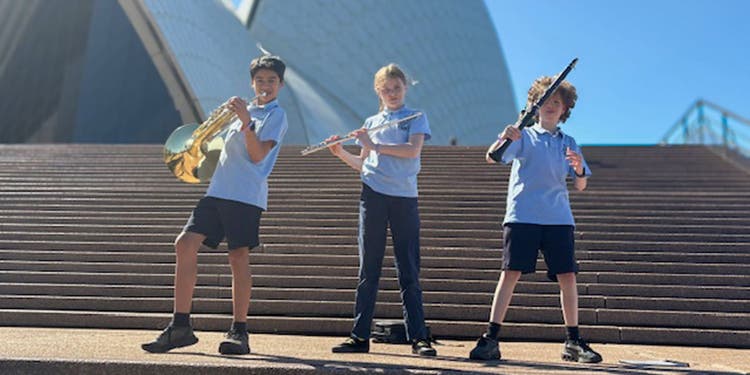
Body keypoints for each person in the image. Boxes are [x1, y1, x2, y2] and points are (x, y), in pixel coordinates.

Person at [142, 55, 288, 355]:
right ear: (252, 82)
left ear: (280, 85)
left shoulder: (276, 116)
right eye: (260, 80)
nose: (265, 85)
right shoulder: (241, 115)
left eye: (271, 81)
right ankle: (180, 326)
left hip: (246, 194)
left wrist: (247, 122)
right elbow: (214, 150)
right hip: (217, 190)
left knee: (237, 256)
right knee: (184, 244)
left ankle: (239, 331)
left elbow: (258, 154)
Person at [469, 76, 602, 363]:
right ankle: (490, 338)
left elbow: (580, 185)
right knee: (510, 274)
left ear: (565, 108)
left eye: (557, 101)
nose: (551, 106)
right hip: (522, 215)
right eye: (545, 101)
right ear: (535, 106)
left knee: (568, 277)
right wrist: (507, 134)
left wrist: (579, 170)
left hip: (558, 219)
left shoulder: (569, 142)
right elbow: (492, 157)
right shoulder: (524, 136)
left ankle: (573, 341)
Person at [325, 63, 436, 357]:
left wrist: (374, 144)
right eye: (386, 89)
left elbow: (412, 151)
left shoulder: (415, 117)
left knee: (408, 269)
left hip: (403, 197)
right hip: (372, 194)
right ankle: (359, 336)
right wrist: (341, 152)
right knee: (368, 268)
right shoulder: (372, 120)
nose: (392, 93)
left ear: (405, 87)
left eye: (396, 88)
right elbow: (365, 164)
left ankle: (419, 337)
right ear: (378, 91)